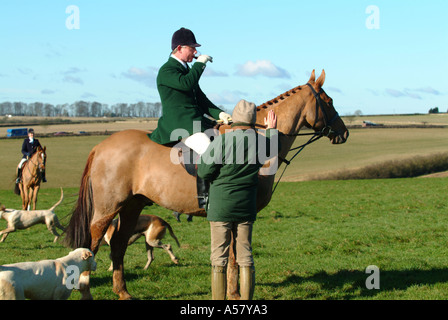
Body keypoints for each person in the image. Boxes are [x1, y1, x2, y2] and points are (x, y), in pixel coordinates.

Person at [197, 100, 279, 300]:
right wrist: (271, 131)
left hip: (220, 207)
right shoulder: (261, 142)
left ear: (235, 121)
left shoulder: (222, 141)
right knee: (245, 257)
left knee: (219, 258)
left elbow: (204, 171)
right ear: (252, 122)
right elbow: (272, 149)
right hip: (246, 207)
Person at [150, 27, 232, 154]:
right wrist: (200, 64)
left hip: (196, 122)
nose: (195, 52)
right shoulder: (167, 70)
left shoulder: (187, 71)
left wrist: (220, 114)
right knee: (211, 153)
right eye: (191, 48)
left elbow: (200, 99)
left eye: (195, 48)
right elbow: (186, 84)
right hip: (180, 125)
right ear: (179, 48)